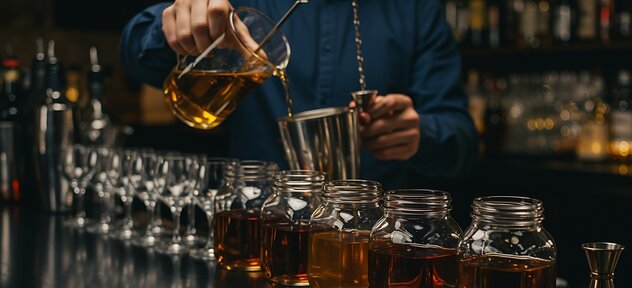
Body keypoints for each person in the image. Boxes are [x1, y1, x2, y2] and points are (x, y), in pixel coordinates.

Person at [120, 0, 477, 189]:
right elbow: (133, 51)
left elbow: (461, 141)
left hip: (368, 249)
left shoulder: (416, 9)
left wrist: (419, 134)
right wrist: (177, 25)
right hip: (256, 232)